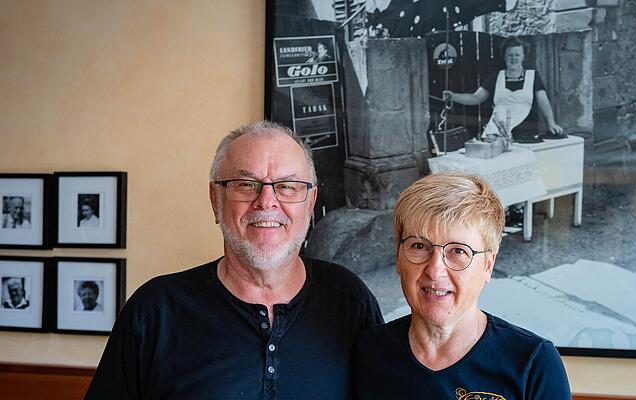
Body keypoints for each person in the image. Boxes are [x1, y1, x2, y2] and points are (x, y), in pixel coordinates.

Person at [85, 121, 382, 399]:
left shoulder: (351, 302)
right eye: (245, 184)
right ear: (216, 200)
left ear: (310, 203)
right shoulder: (155, 312)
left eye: (288, 186)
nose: (266, 202)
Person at [352, 172, 571, 399]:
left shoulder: (533, 364)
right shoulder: (368, 351)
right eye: (419, 246)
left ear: (488, 265)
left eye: (458, 251)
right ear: (399, 256)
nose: (435, 270)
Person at [443, 37, 563, 141]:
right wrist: (453, 96)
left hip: (525, 133)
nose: (513, 58)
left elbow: (544, 102)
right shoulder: (496, 77)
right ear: (504, 57)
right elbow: (476, 97)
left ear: (523, 56)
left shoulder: (533, 76)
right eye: (510, 55)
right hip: (496, 132)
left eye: (517, 55)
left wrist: (551, 123)